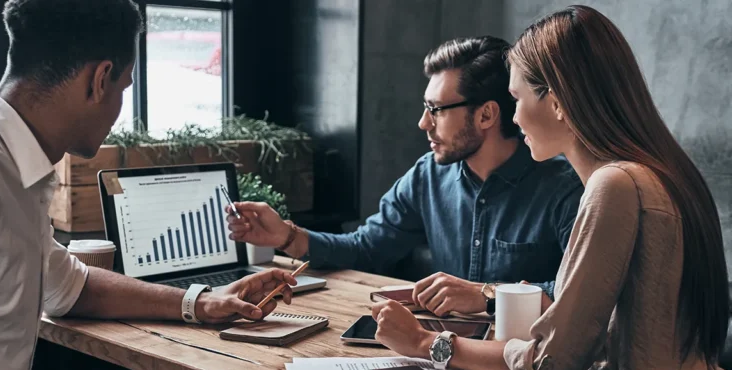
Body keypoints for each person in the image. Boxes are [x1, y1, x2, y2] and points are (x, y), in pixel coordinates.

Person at [371, 5, 732, 370]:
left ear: (557, 101)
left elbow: (551, 369)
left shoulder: (614, 186)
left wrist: (425, 344)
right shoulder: (662, 172)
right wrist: (490, 300)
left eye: (518, 99)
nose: (515, 116)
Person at [0, 1, 297, 370]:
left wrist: (200, 302)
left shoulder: (16, 169)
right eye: (125, 86)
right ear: (100, 79)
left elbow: (71, 286)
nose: (121, 106)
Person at [227, 37, 583, 317]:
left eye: (436, 110)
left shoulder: (564, 188)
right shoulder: (427, 176)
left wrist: (485, 295)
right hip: (444, 355)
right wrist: (286, 235)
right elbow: (367, 249)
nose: (423, 123)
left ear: (487, 116)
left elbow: (578, 295)